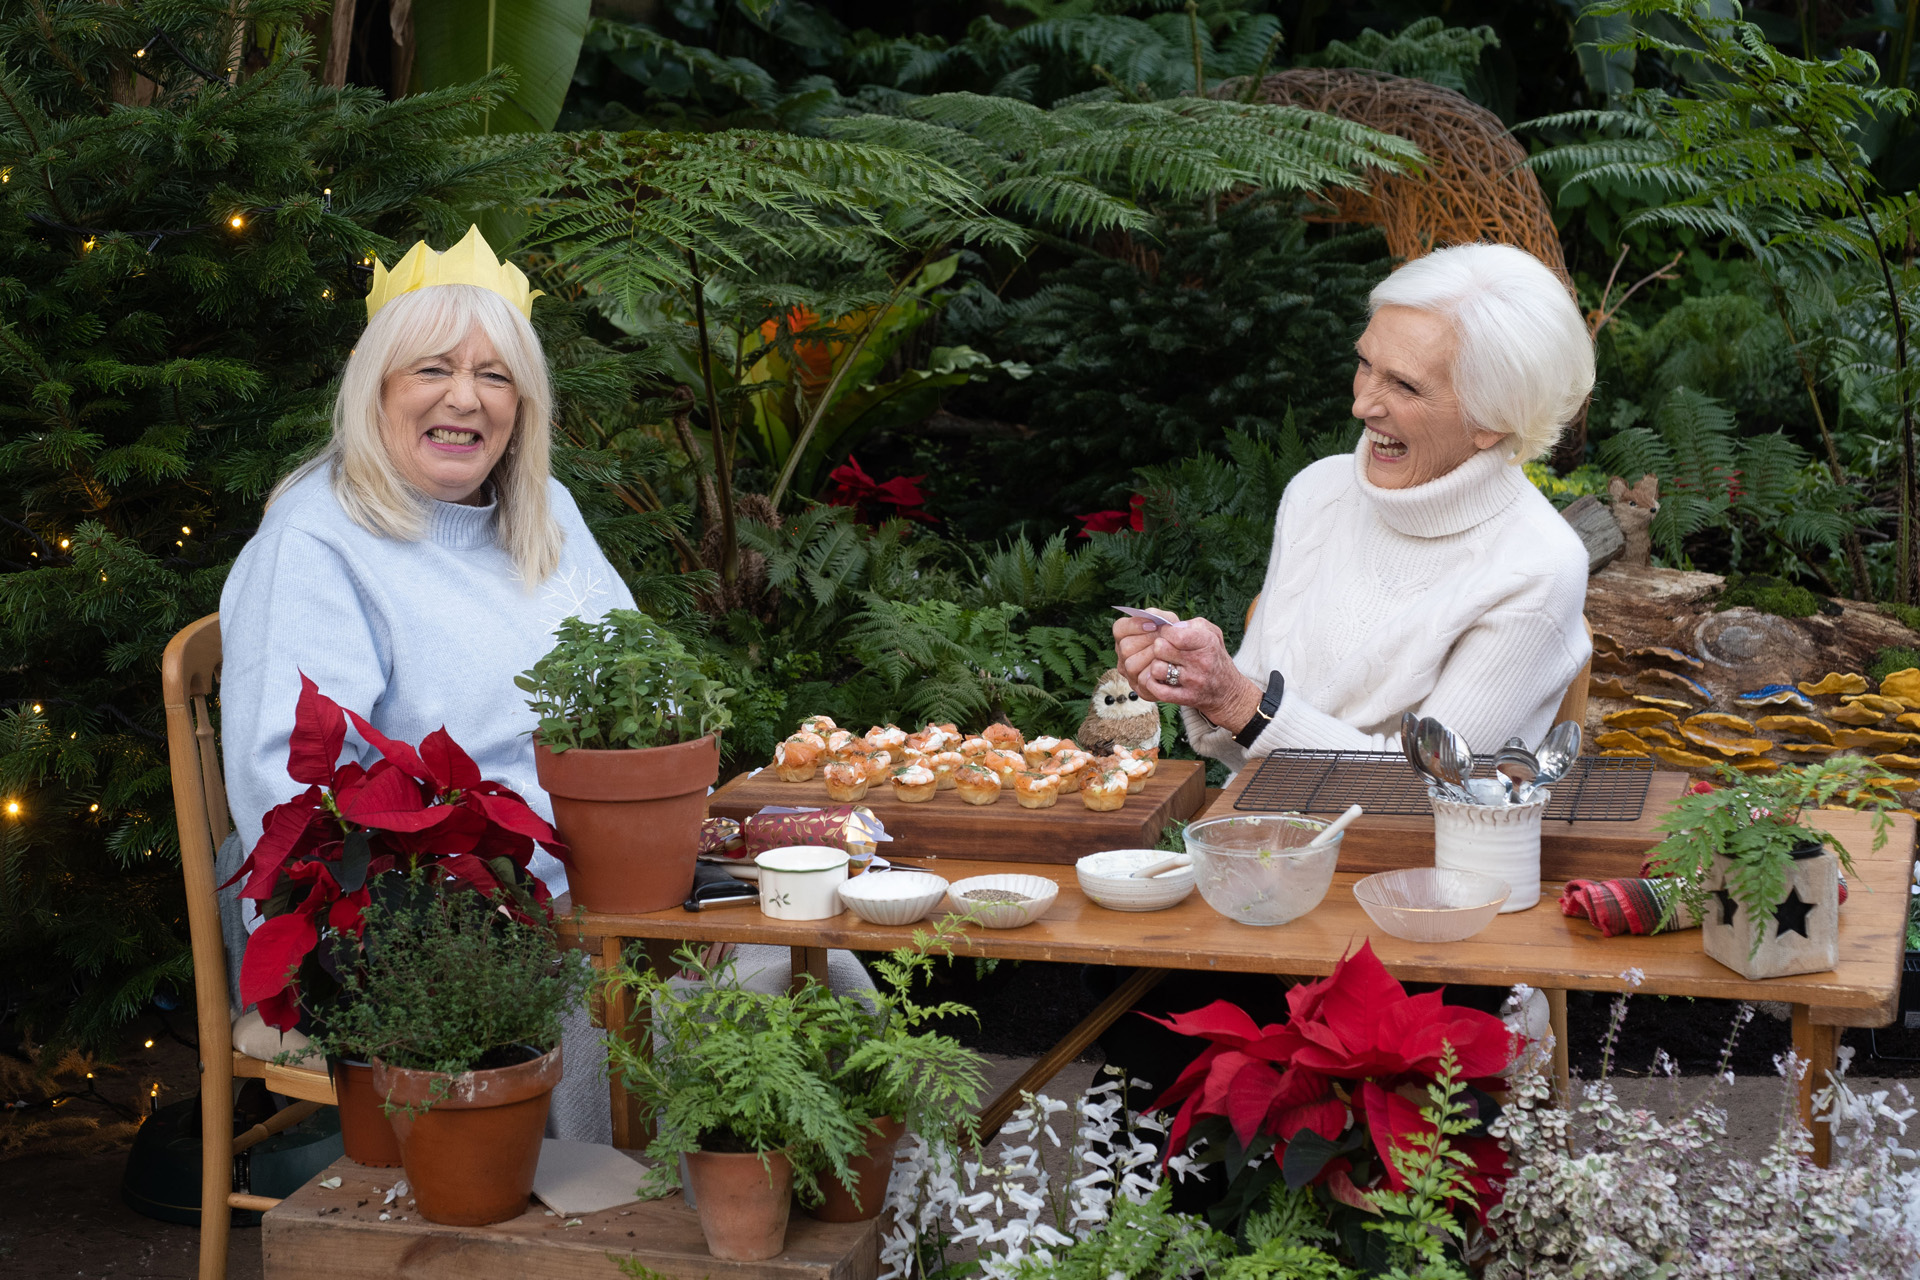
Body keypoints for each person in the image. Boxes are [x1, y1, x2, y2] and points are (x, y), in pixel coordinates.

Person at [218, 226, 636, 1142]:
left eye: (495, 375)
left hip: (605, 884)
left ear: (523, 406)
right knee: (678, 1024)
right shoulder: (315, 543)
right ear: (376, 387)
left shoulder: (545, 514)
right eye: (432, 369)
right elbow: (285, 791)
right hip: (425, 914)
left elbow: (644, 693)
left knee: (810, 965)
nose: (466, 399)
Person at [1113, 243, 1594, 774]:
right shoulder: (1320, 492)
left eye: (1406, 385)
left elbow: (1431, 789)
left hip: (1413, 854)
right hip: (1260, 837)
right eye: (1366, 363)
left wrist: (1238, 703)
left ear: (1494, 419)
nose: (1362, 404)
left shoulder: (1538, 569)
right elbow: (1243, 744)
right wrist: (1196, 676)